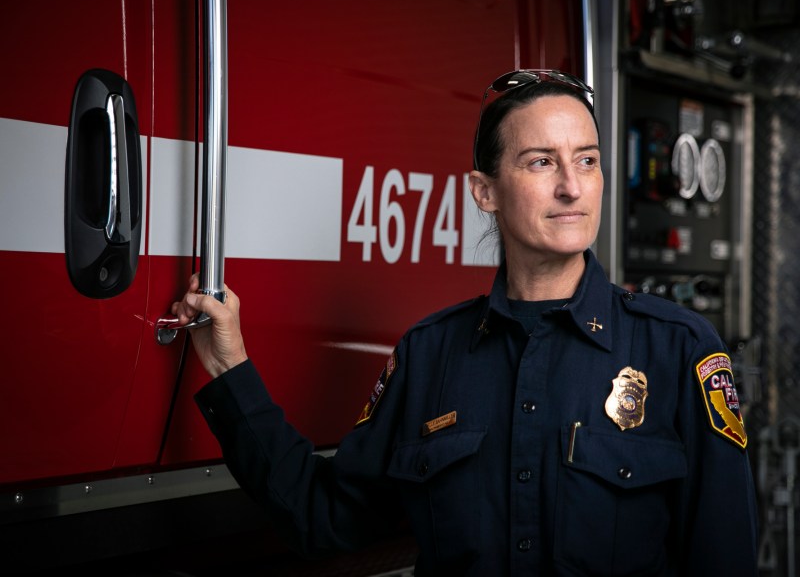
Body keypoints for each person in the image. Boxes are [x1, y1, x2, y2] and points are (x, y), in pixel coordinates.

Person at [171, 70, 758, 575]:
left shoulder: (677, 349)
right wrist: (229, 364)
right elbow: (326, 519)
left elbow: (723, 559)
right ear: (485, 191)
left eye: (587, 160)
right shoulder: (429, 357)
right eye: (540, 162)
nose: (571, 186)